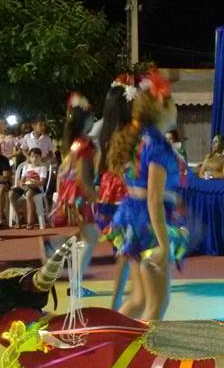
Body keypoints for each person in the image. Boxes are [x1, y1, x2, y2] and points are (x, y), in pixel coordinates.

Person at [104, 69, 189, 320]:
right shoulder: (157, 146)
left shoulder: (138, 138)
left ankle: (113, 339)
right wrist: (163, 244)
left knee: (139, 299)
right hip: (148, 223)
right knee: (156, 305)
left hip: (131, 216)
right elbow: (154, 198)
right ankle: (145, 346)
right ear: (162, 106)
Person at [50, 93, 100, 292]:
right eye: (91, 117)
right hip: (81, 196)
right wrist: (95, 197)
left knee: (87, 236)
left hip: (73, 195)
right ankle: (76, 285)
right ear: (84, 121)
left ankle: (55, 245)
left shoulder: (73, 143)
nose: (93, 120)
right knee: (90, 239)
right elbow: (82, 177)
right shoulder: (84, 145)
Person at [97, 75, 136, 310]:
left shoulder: (105, 130)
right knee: (127, 250)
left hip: (109, 191)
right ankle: (119, 302)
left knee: (125, 248)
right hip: (126, 191)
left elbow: (102, 165)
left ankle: (122, 300)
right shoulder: (129, 132)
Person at [8, 147, 48, 229]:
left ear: (40, 157)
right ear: (29, 157)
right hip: (25, 186)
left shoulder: (42, 168)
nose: (34, 159)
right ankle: (18, 219)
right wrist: (22, 184)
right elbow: (21, 180)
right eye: (32, 157)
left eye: (37, 157)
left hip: (36, 187)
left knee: (29, 194)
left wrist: (32, 185)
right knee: (11, 194)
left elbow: (42, 182)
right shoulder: (26, 167)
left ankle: (30, 220)